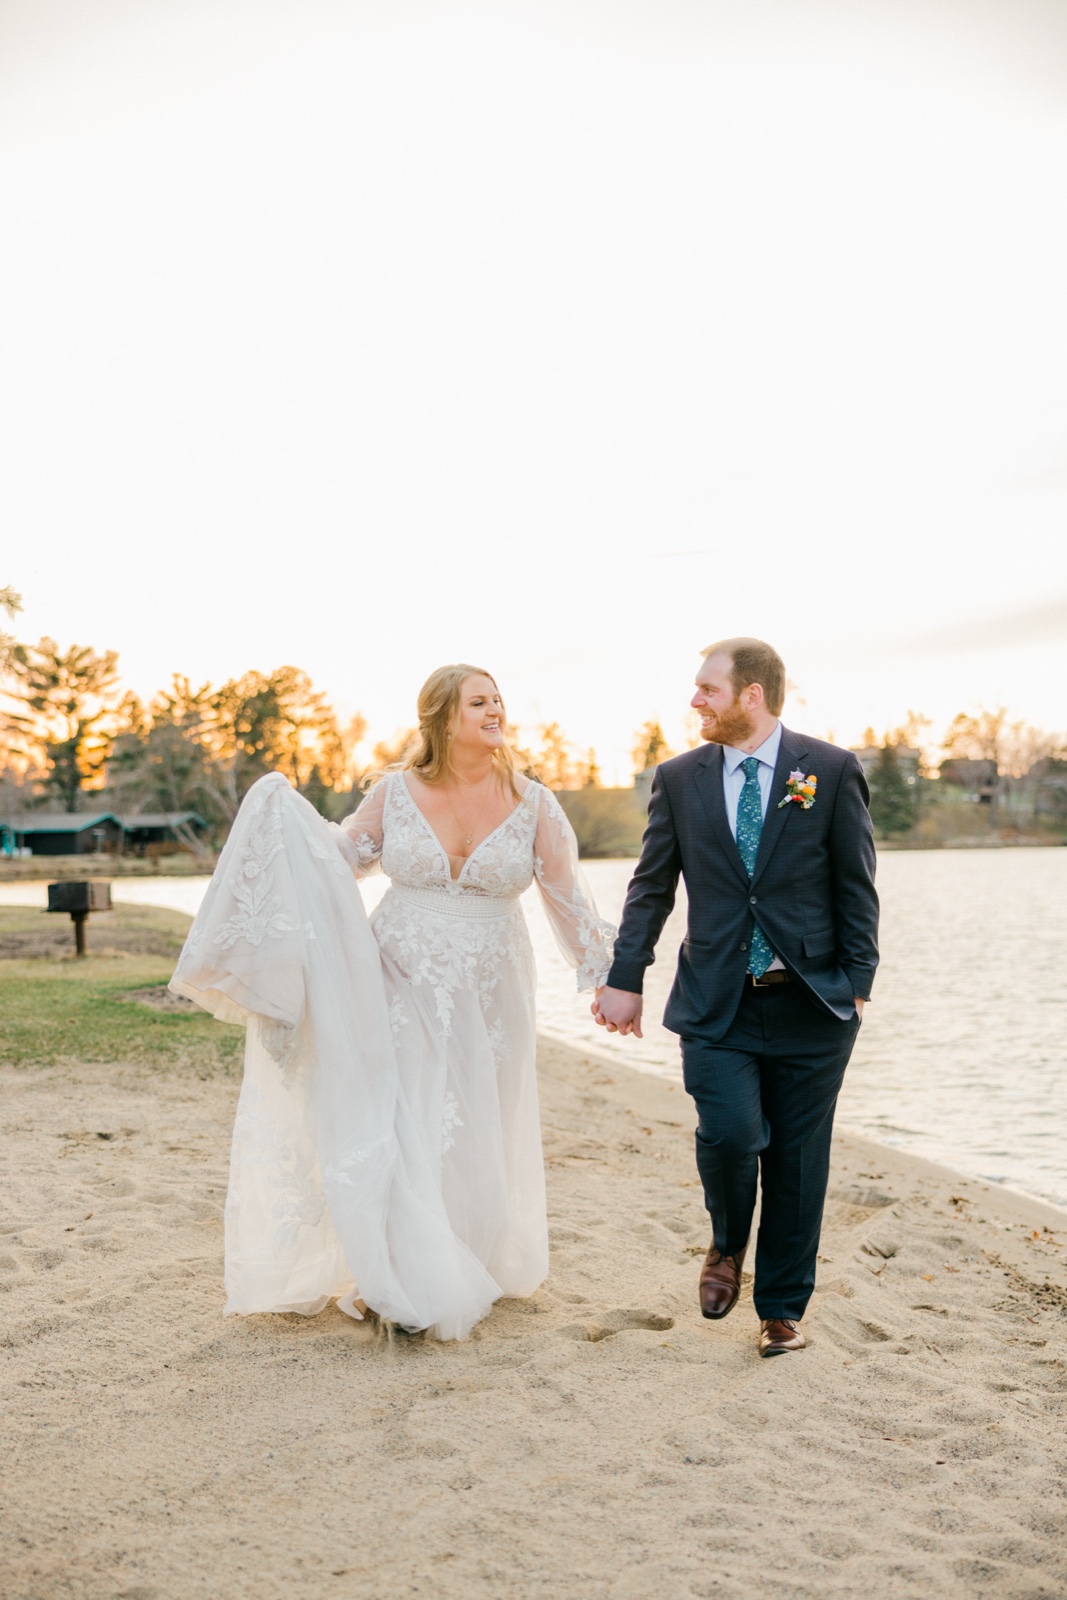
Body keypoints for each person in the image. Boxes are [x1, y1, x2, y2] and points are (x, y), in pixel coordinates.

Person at [171, 664, 615, 1340]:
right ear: (441, 718)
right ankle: (401, 1270)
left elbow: (568, 903)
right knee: (406, 1113)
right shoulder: (395, 793)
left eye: (497, 700)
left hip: (494, 982)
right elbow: (345, 857)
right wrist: (291, 824)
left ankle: (469, 1257)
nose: (494, 710)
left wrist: (608, 978)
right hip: (400, 969)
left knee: (478, 1118)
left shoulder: (534, 804)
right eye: (478, 702)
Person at [593, 638, 878, 1358]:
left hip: (812, 1002)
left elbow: (856, 887)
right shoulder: (680, 779)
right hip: (715, 1000)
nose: (694, 701)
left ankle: (780, 1312)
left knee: (798, 1160)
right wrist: (625, 977)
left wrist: (857, 985)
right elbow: (651, 886)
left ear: (751, 695)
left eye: (707, 690)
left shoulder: (831, 770)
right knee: (729, 1135)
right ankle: (725, 1245)